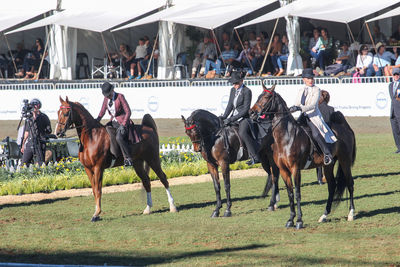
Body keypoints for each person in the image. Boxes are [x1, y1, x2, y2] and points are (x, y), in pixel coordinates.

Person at [289, 68, 337, 165]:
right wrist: (292, 108)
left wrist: (300, 108)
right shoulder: (301, 90)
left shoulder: (317, 90)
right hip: (303, 116)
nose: (311, 80)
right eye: (308, 78)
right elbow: (297, 103)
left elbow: (313, 106)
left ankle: (327, 154)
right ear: (304, 80)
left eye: (312, 78)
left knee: (315, 134)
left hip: (313, 117)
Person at [220, 71, 258, 165]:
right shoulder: (232, 90)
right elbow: (230, 105)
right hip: (234, 116)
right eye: (233, 83)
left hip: (244, 118)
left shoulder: (247, 91)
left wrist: (231, 119)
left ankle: (254, 156)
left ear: (242, 81)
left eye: (236, 83)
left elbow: (245, 110)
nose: (234, 85)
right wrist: (224, 117)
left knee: (242, 132)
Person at [96, 82, 133, 166]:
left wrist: (123, 124)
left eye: (109, 95)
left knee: (119, 137)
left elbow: (128, 112)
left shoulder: (120, 97)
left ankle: (128, 158)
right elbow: (102, 111)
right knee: (103, 132)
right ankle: (112, 154)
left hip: (123, 122)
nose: (108, 96)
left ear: (113, 90)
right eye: (106, 95)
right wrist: (96, 120)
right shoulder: (106, 99)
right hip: (113, 122)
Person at [20, 98, 51, 167]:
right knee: (24, 163)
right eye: (33, 106)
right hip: (30, 142)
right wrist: (23, 144)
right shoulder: (29, 118)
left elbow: (49, 130)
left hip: (40, 142)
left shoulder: (44, 117)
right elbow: (26, 132)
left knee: (41, 164)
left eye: (37, 105)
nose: (35, 107)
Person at [316, 90, 335, 184]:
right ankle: (327, 176)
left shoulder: (316, 109)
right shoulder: (331, 109)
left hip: (318, 136)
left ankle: (319, 178)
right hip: (328, 136)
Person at [388, 68, 400, 154]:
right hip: (393, 112)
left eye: (397, 74)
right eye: (394, 74)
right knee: (395, 131)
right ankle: (399, 147)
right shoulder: (390, 85)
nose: (396, 76)